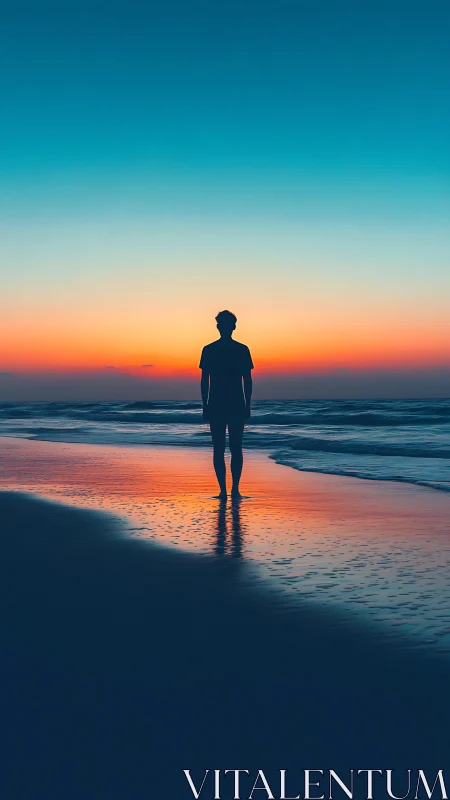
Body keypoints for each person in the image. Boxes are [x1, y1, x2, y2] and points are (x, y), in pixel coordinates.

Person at [199, 310, 253, 499]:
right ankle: (227, 490)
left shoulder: (238, 349)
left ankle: (230, 490)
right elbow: (204, 380)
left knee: (228, 448)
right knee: (227, 448)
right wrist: (205, 405)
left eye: (226, 324)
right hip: (225, 405)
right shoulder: (214, 349)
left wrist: (247, 405)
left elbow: (247, 379)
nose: (225, 328)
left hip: (227, 405)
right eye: (223, 324)